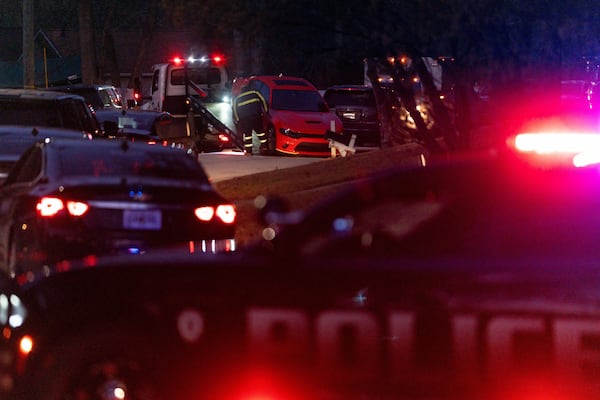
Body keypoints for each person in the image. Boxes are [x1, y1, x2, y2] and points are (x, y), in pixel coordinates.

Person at [232, 87, 267, 155]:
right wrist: (265, 111)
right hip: (256, 116)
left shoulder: (238, 98)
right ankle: (265, 147)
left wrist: (238, 120)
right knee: (260, 132)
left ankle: (249, 151)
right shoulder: (255, 93)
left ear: (241, 91)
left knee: (248, 135)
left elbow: (235, 110)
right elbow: (263, 101)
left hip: (245, 119)